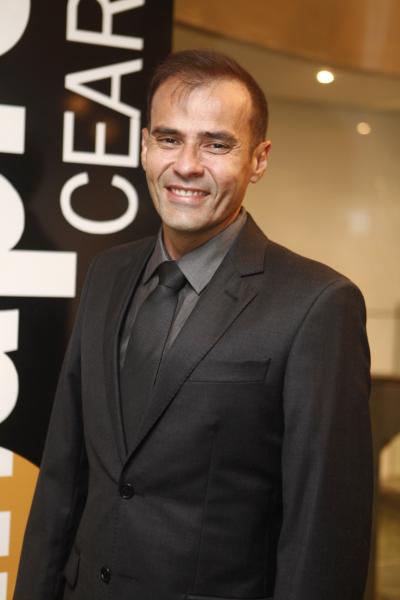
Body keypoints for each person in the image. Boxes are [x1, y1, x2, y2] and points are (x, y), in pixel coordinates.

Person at [14, 49, 373, 600]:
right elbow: (64, 473)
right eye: (169, 138)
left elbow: (322, 537)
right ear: (144, 147)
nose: (186, 165)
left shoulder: (317, 305)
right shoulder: (106, 274)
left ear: (259, 159)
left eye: (216, 144)